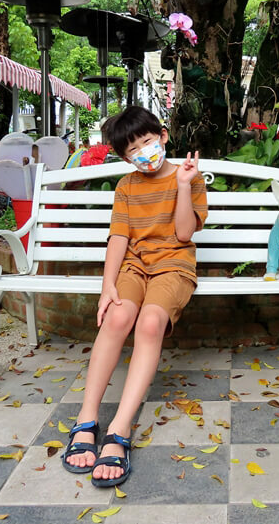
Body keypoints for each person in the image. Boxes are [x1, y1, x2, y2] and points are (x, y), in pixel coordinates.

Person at [62, 106, 206, 487]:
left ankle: (119, 430)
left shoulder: (189, 178)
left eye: (147, 142)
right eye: (132, 152)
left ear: (162, 136)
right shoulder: (126, 186)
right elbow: (119, 239)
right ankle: (86, 419)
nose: (143, 153)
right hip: (133, 267)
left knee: (151, 322)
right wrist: (107, 286)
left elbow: (184, 235)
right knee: (118, 317)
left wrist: (182, 186)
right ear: (124, 158)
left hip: (173, 266)